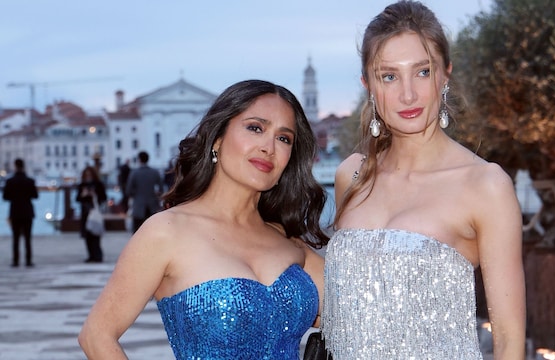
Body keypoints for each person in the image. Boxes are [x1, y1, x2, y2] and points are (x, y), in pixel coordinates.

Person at [321, 1, 526, 359]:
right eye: (389, 76)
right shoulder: (350, 176)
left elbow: (509, 342)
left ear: (445, 74)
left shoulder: (486, 186)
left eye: (422, 72)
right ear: (367, 84)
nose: (408, 95)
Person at [78, 79, 329, 359]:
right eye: (255, 128)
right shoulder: (167, 232)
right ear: (217, 139)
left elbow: (362, 305)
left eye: (284, 138)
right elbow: (96, 335)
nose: (268, 146)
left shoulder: (287, 241)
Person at [2, 158, 38, 267]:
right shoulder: (30, 181)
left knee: (16, 237)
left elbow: (5, 197)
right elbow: (35, 196)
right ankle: (28, 260)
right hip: (27, 211)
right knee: (27, 237)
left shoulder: (10, 181)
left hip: (15, 212)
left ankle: (16, 260)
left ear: (15, 166)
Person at [126, 151, 163, 233]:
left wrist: (136, 194)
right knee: (152, 231)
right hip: (152, 205)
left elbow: (129, 190)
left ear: (139, 159)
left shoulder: (134, 173)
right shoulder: (154, 172)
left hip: (138, 206)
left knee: (137, 232)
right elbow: (161, 189)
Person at [76, 166, 107, 263]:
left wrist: (94, 194)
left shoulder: (98, 185)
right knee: (87, 235)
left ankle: (97, 255)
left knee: (95, 235)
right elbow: (77, 199)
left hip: (95, 211)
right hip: (85, 212)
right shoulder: (82, 185)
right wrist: (83, 195)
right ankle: (90, 255)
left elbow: (103, 197)